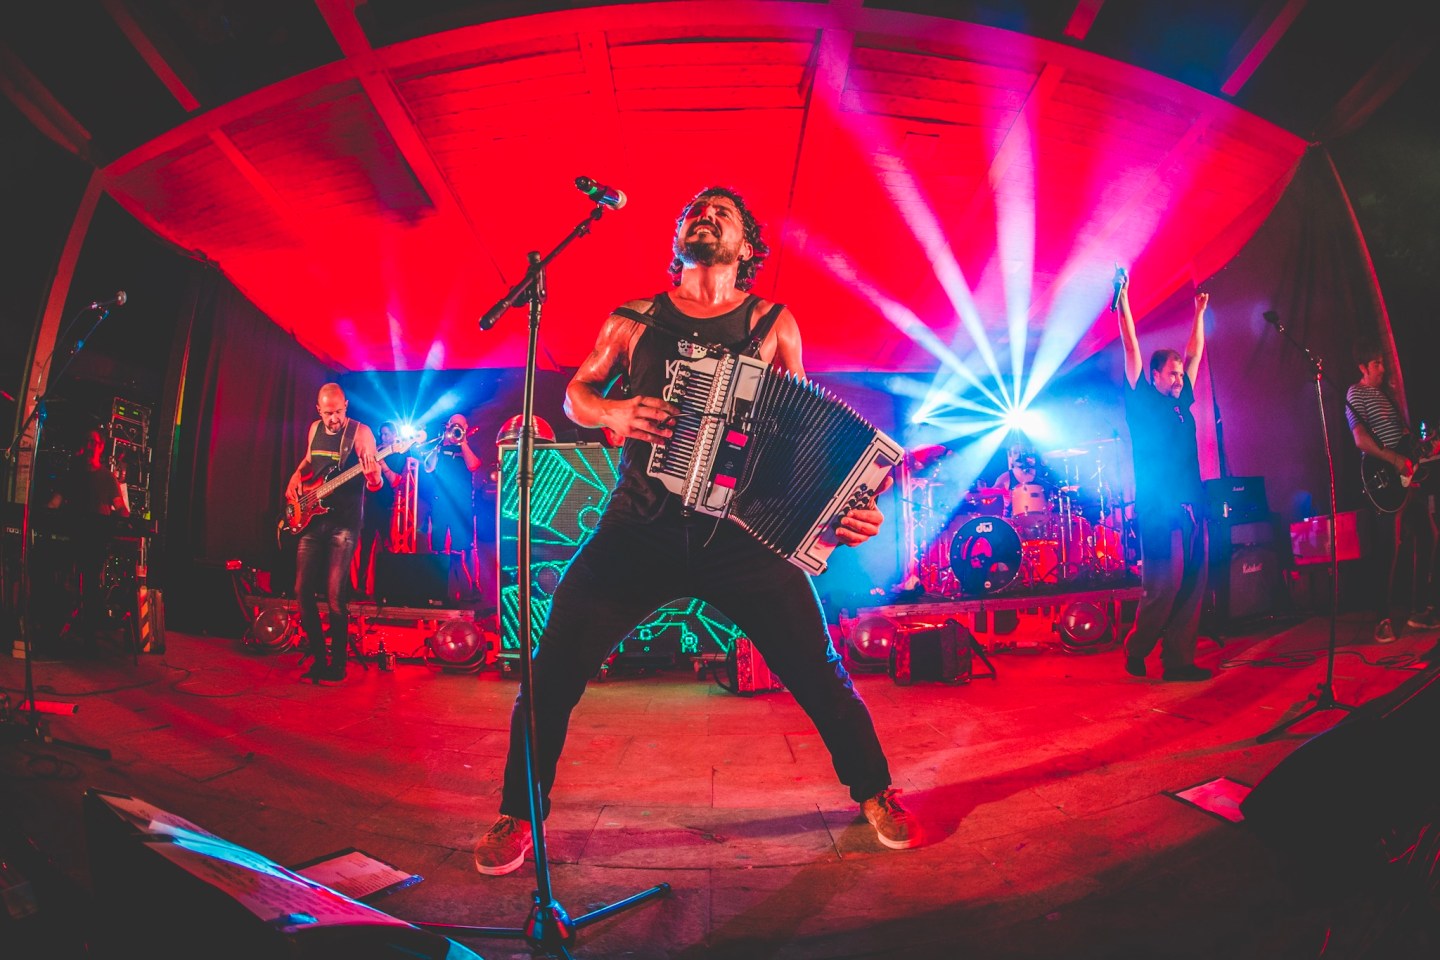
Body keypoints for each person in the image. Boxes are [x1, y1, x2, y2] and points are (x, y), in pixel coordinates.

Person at [471, 185, 919, 877]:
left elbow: (804, 433)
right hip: (638, 527)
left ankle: (875, 790)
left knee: (818, 670)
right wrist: (614, 413)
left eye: (721, 213)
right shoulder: (633, 318)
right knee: (551, 670)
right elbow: (577, 395)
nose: (704, 217)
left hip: (741, 536)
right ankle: (517, 812)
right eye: (692, 212)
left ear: (747, 247)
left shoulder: (773, 323)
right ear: (678, 237)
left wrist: (844, 509)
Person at [1116, 274, 1212, 681]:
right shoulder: (1142, 402)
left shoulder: (1180, 401)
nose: (1179, 379)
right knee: (1164, 586)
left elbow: (1194, 354)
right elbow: (1131, 346)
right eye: (1172, 374)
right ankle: (1137, 647)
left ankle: (1178, 661)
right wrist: (1123, 299)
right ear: (1154, 376)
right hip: (1159, 510)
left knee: (1192, 585)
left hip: (1192, 505)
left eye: (1179, 375)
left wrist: (1199, 314)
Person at [285, 383, 381, 683]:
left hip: (344, 523)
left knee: (335, 596)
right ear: (319, 410)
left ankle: (338, 664)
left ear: (346, 406)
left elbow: (376, 484)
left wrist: (373, 476)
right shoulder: (315, 429)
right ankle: (318, 658)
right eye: (328, 413)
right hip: (313, 519)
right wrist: (295, 476)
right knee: (302, 591)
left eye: (338, 412)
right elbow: (308, 461)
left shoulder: (360, 433)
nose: (334, 419)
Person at [1345, 339, 1439, 641]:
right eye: (1376, 364)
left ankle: (1419, 610)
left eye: (1383, 363)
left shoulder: (1387, 396)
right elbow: (1360, 439)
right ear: (1363, 367)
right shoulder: (1355, 393)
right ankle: (1382, 619)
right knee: (1388, 548)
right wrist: (1395, 460)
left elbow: (1407, 442)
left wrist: (1425, 449)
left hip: (1406, 478)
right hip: (1383, 477)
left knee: (1428, 534)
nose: (1383, 369)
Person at [45, 427, 129, 648]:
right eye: (87, 441)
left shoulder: (107, 477)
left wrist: (129, 520)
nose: (90, 445)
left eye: (94, 442)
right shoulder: (72, 474)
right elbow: (55, 502)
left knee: (91, 584)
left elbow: (119, 507)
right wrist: (44, 514)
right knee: (64, 580)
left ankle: (89, 634)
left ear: (101, 447)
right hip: (73, 537)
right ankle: (59, 627)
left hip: (96, 539)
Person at [423, 413, 483, 601]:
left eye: (459, 425)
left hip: (461, 506)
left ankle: (472, 587)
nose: (455, 428)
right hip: (440, 503)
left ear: (466, 427)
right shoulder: (440, 447)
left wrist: (462, 442)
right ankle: (442, 587)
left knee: (464, 548)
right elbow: (428, 467)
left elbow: (474, 465)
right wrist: (441, 442)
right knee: (438, 547)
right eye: (452, 425)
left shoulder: (469, 446)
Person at [356, 421, 406, 598]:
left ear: (394, 435)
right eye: (381, 434)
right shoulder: (376, 449)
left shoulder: (399, 454)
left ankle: (389, 587)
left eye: (386, 434)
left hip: (387, 504)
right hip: (371, 503)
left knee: (388, 545)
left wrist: (382, 462)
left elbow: (395, 481)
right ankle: (360, 588)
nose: (383, 437)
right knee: (365, 545)